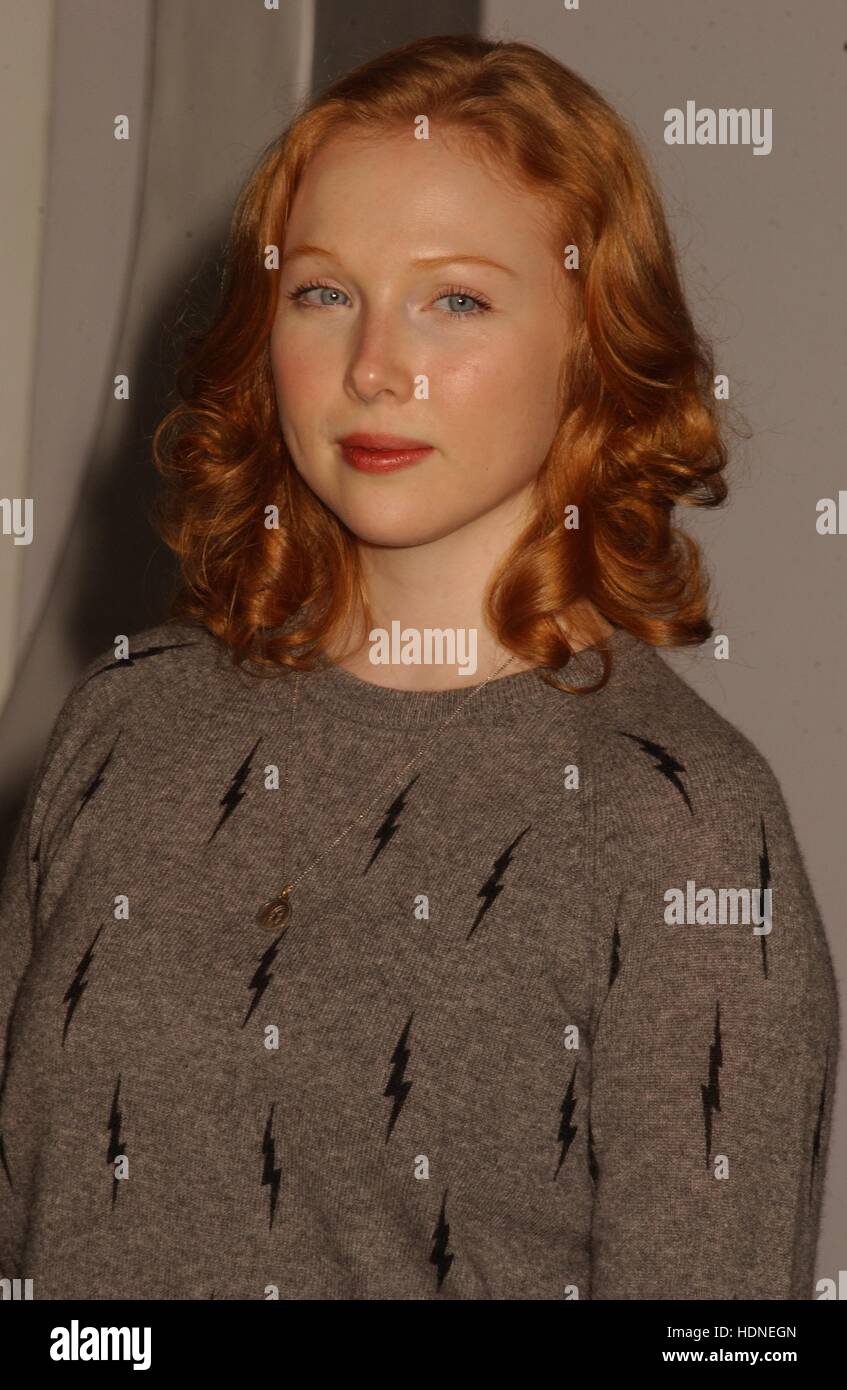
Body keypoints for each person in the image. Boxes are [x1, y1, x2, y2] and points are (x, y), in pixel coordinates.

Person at [0, 34, 838, 1301]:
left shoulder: (680, 829)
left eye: (456, 298)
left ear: (593, 351)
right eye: (323, 292)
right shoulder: (121, 726)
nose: (374, 365)